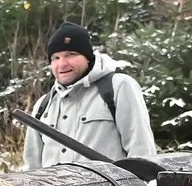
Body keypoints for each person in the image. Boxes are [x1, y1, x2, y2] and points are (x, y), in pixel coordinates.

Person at [23, 22, 157, 168]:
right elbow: (31, 167)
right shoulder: (44, 105)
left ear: (87, 57)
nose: (62, 64)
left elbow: (141, 150)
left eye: (71, 55)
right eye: (55, 58)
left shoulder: (118, 87)